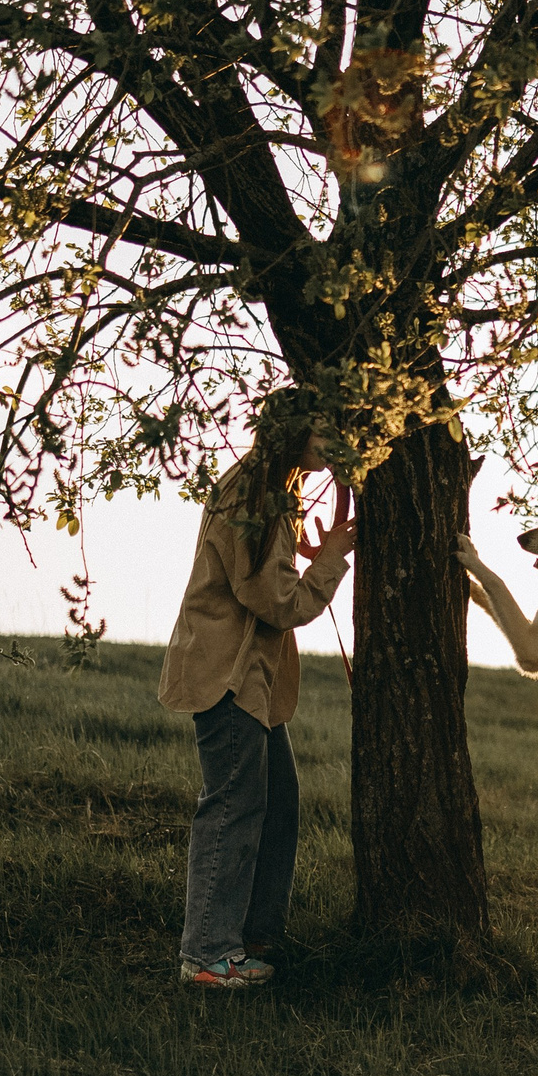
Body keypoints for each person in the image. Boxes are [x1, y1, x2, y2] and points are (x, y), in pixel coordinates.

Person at [157, 390, 356, 988]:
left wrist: (310, 557)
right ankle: (209, 956)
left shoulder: (274, 491)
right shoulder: (256, 493)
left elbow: (268, 577)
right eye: (323, 430)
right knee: (233, 806)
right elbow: (274, 601)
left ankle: (254, 937)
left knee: (279, 801)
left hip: (253, 682)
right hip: (228, 675)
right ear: (295, 431)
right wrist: (332, 562)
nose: (333, 443)